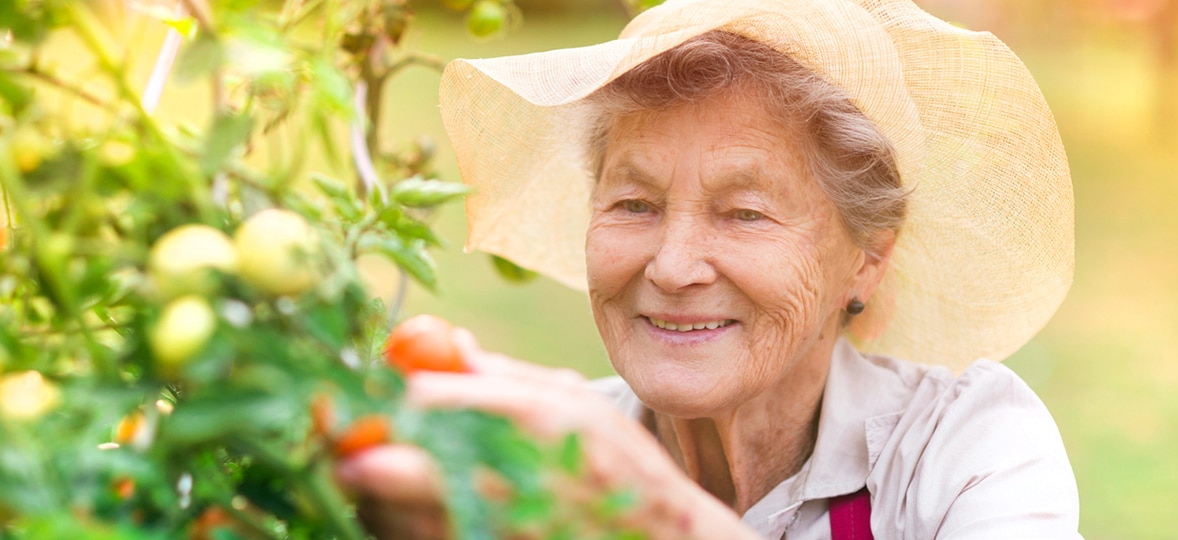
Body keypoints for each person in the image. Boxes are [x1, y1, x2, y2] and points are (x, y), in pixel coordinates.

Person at [336, 0, 1082, 537]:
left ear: (866, 259)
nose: (672, 265)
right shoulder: (533, 471)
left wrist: (653, 515)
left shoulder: (961, 449)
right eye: (633, 203)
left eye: (743, 213)